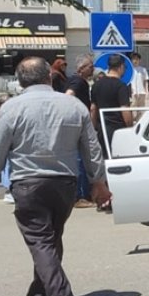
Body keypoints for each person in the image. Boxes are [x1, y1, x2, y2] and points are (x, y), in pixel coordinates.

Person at [0, 57, 109, 296]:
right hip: (65, 185)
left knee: (42, 243)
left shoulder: (11, 108)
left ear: (20, 81)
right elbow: (91, 147)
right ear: (49, 76)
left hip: (28, 184)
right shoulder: (74, 106)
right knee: (50, 239)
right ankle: (39, 295)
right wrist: (98, 181)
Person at [65, 55, 96, 209]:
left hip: (74, 126)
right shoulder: (78, 81)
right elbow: (68, 96)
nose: (93, 69)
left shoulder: (73, 79)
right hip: (78, 126)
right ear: (81, 68)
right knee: (81, 161)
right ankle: (81, 196)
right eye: (90, 66)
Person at [91, 53, 134, 153]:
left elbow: (93, 109)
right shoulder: (121, 86)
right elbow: (125, 110)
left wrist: (94, 129)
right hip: (117, 131)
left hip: (101, 129)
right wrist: (130, 128)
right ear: (121, 67)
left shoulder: (96, 85)